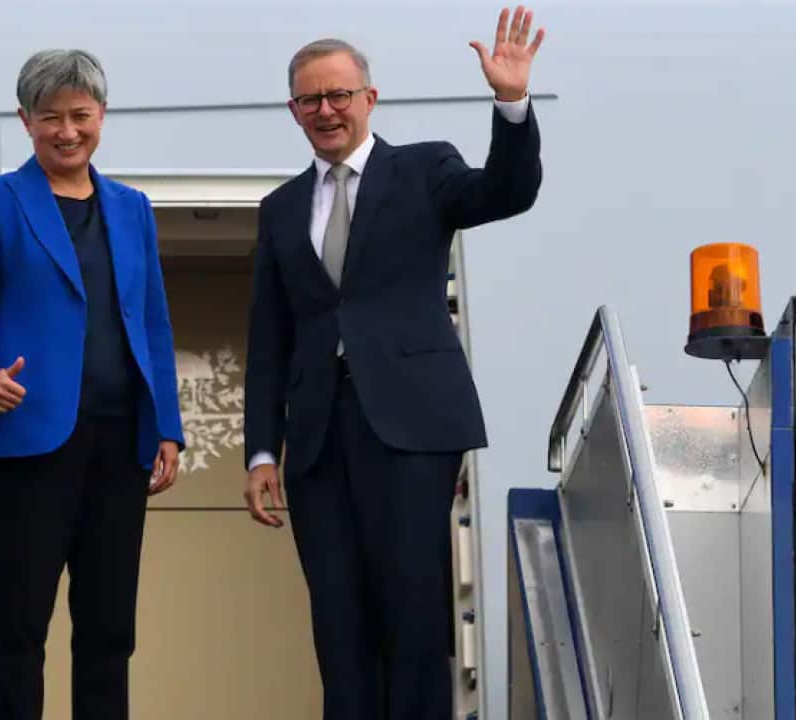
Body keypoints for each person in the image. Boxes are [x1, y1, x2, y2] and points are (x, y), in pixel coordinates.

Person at [243, 7, 545, 719]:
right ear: (294, 110)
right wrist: (262, 451)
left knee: (410, 609)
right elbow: (269, 338)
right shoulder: (280, 208)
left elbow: (507, 191)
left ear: (369, 99)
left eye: (339, 95)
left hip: (410, 425)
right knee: (338, 622)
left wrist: (511, 103)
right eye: (310, 99)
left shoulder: (423, 167)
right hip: (317, 437)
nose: (326, 110)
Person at [0, 49, 184, 720]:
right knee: (21, 624)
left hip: (120, 442)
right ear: (26, 120)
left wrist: (167, 425)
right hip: (27, 442)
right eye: (51, 117)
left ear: (101, 115)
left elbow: (153, 321)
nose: (67, 131)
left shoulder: (131, 208)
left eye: (80, 115)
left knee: (109, 627)